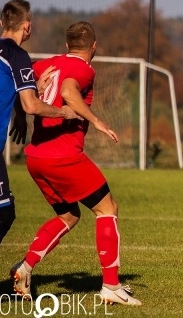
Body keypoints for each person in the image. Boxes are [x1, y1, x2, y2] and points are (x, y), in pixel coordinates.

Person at [9, 21, 142, 306]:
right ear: (94, 47)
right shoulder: (84, 69)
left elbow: (20, 91)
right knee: (108, 209)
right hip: (64, 157)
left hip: (36, 158)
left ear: (67, 45)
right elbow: (69, 92)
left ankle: (25, 268)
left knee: (69, 216)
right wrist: (98, 121)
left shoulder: (44, 65)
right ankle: (111, 286)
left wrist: (20, 118)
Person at [0, 0, 77, 270]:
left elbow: (4, 88)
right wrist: (65, 113)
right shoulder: (16, 54)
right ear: (28, 27)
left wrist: (20, 115)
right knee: (2, 214)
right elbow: (31, 104)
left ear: (2, 22)